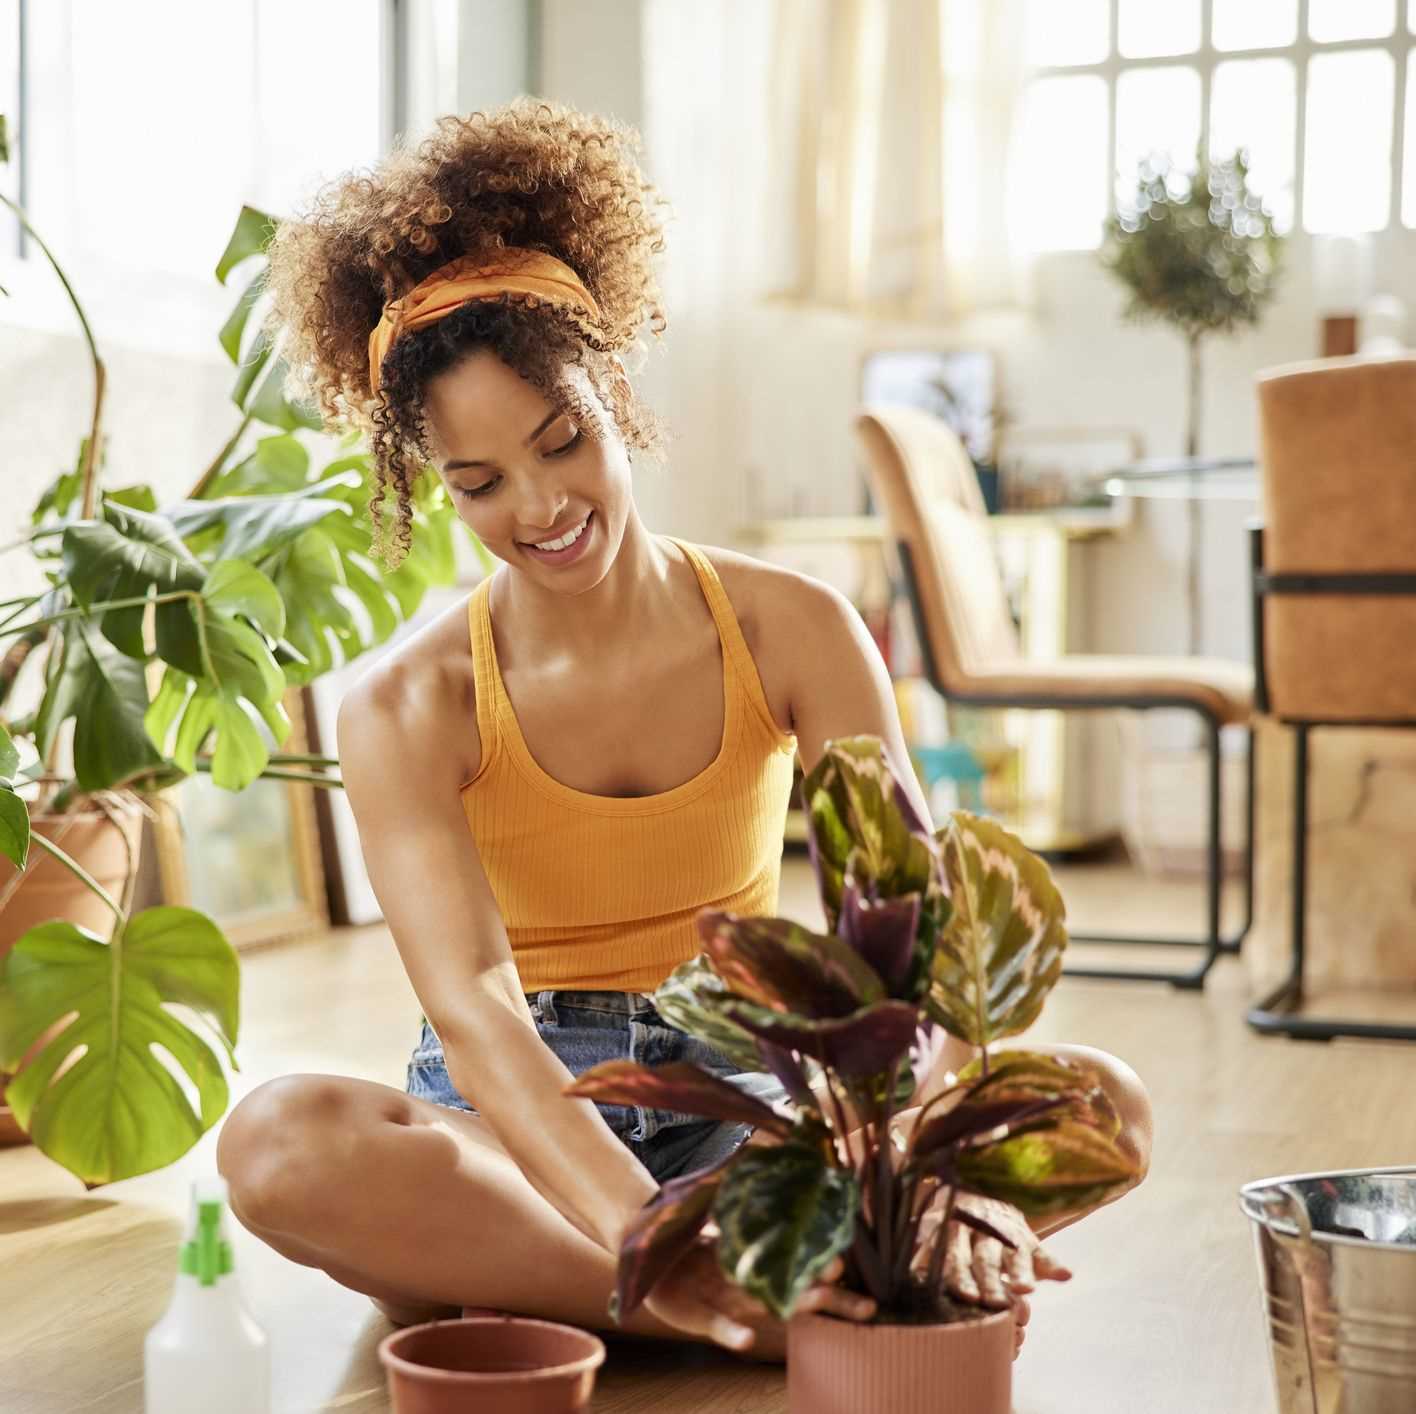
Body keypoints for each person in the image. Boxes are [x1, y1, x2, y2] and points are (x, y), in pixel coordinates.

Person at [216, 98, 1152, 1363]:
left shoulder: (795, 628)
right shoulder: (405, 702)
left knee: (1103, 1103)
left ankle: (582, 1292)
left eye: (564, 441)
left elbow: (911, 938)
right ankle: (753, 1307)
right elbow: (481, 1015)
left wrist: (914, 1155)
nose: (542, 507)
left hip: (755, 1100)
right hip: (519, 1134)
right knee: (279, 1141)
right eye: (478, 484)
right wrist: (648, 1229)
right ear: (429, 480)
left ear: (615, 387)